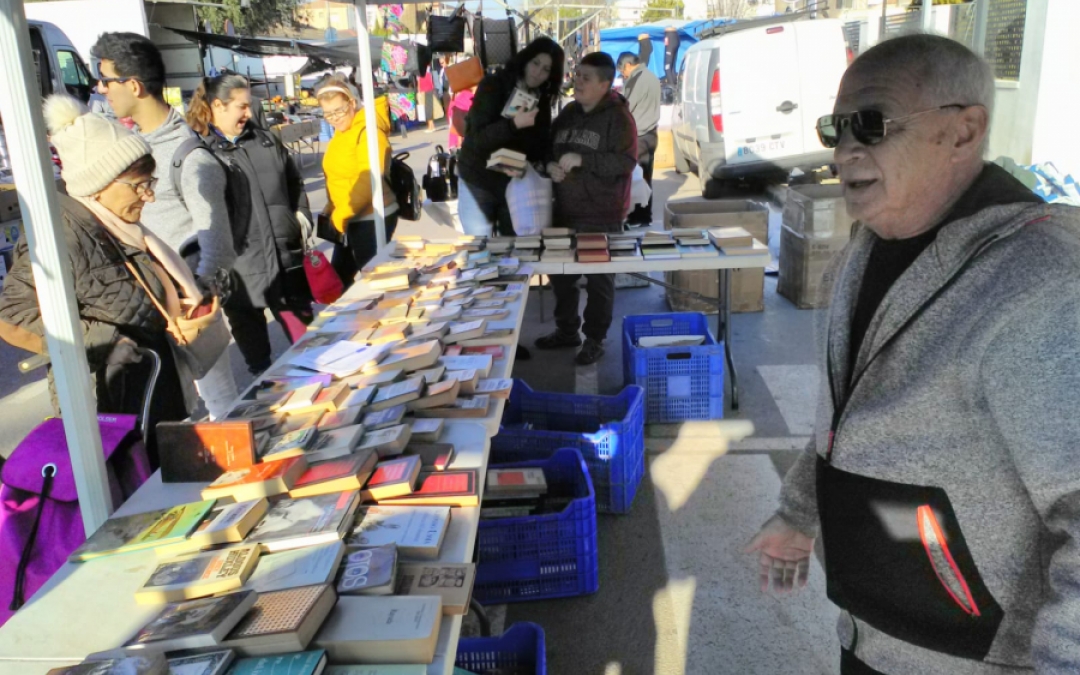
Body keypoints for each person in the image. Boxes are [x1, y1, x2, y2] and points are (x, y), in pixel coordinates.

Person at [745, 34, 1080, 675]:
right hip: (871, 636)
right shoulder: (864, 251)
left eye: (871, 124)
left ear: (963, 131)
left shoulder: (1043, 283)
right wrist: (799, 512)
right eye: (836, 128)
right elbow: (842, 417)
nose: (844, 151)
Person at [0, 97, 200, 466]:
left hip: (151, 396)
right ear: (98, 185)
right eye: (139, 185)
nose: (149, 195)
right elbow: (13, 317)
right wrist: (104, 342)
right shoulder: (62, 235)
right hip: (111, 410)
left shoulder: (115, 226)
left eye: (150, 182)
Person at [91, 32, 238, 418]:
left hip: (188, 306)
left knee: (221, 404)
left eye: (106, 80)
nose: (100, 88)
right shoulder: (133, 146)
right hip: (154, 304)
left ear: (134, 86)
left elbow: (218, 243)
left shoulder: (188, 156)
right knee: (179, 410)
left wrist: (196, 296)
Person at [187, 74, 314, 376]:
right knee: (259, 363)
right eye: (242, 107)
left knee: (310, 347)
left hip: (285, 258)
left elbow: (294, 182)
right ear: (218, 106)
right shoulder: (202, 153)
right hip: (240, 270)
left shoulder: (266, 140)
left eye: (249, 106)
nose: (249, 112)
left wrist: (301, 218)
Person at [535, 52, 637, 366]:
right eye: (577, 75)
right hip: (563, 211)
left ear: (605, 84)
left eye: (586, 78)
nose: (577, 82)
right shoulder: (568, 113)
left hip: (601, 214)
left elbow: (626, 162)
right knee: (561, 276)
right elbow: (546, 149)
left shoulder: (619, 118)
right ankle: (567, 331)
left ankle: (594, 339)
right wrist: (549, 166)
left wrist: (584, 160)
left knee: (598, 280)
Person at [456, 37, 565, 237]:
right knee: (480, 247)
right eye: (535, 63)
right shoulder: (494, 85)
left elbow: (541, 142)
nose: (538, 72)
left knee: (514, 248)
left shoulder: (541, 99)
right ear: (526, 59)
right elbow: (477, 139)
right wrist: (513, 125)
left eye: (546, 69)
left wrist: (547, 163)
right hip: (478, 179)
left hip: (514, 184)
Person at [316, 75, 399, 281]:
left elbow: (369, 181)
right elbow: (339, 175)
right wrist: (331, 207)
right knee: (339, 279)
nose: (335, 118)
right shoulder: (342, 133)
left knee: (375, 280)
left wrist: (340, 215)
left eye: (339, 110)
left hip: (371, 217)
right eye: (328, 114)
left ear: (352, 103)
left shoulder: (368, 131)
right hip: (349, 216)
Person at [617, 50, 661, 228]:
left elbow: (625, 106)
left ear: (628, 65)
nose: (623, 75)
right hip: (651, 134)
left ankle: (639, 216)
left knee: (637, 179)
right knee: (646, 177)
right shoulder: (652, 76)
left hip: (639, 136)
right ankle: (645, 216)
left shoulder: (636, 79)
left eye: (622, 71)